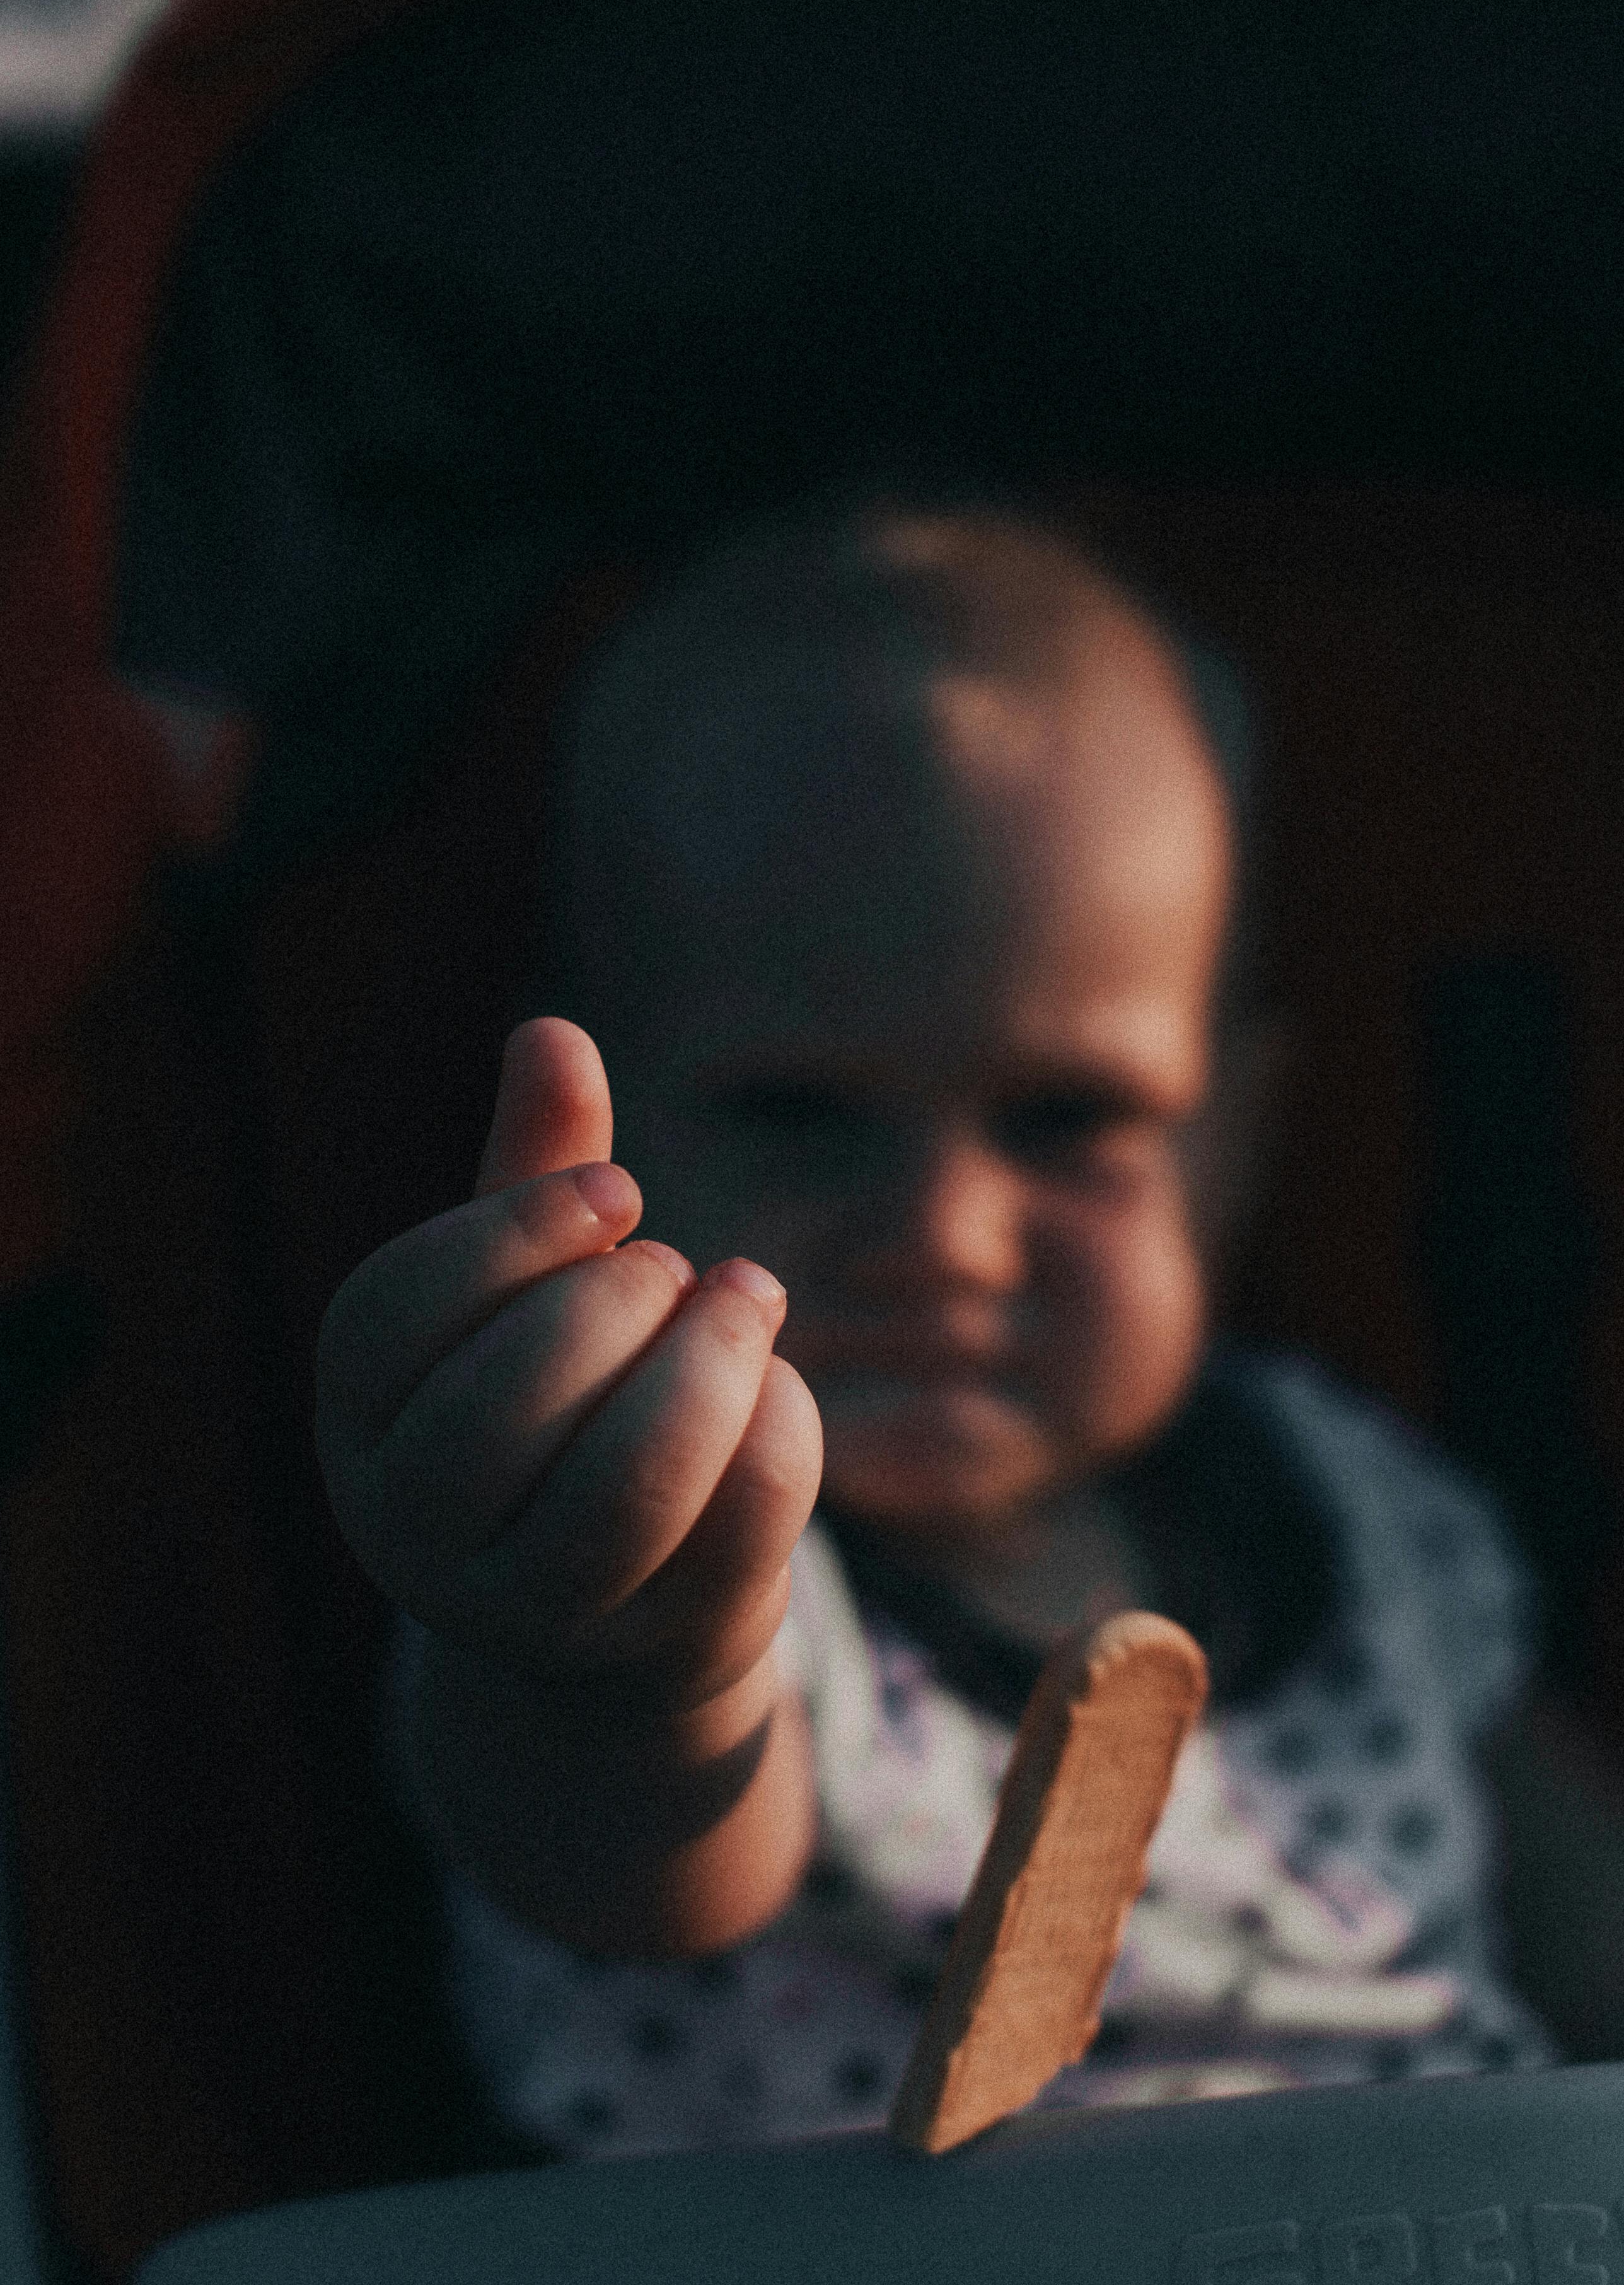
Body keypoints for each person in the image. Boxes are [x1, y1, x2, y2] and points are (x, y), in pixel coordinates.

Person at [314, 487, 1561, 2161]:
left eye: (1067, 1119)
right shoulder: (701, 1564)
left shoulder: (1353, 1500)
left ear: (1233, 1141)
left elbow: (1567, 1900)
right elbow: (625, 1826)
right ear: (623, 1127)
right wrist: (615, 1654)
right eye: (804, 1114)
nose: (944, 1238)